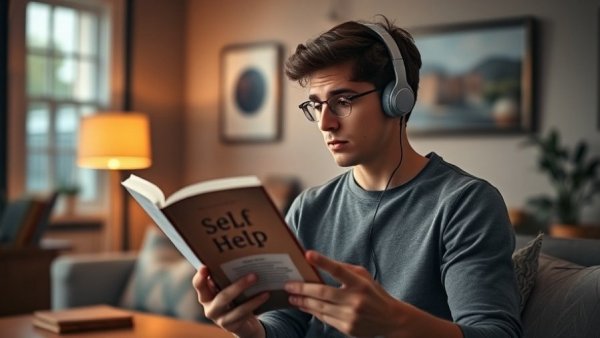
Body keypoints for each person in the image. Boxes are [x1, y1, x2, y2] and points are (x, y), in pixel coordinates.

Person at [193, 15, 522, 338]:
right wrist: (250, 329)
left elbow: (495, 332)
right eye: (316, 105)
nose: (325, 124)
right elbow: (290, 325)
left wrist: (396, 323)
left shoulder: (465, 204)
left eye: (343, 101)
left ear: (396, 99)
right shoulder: (308, 208)